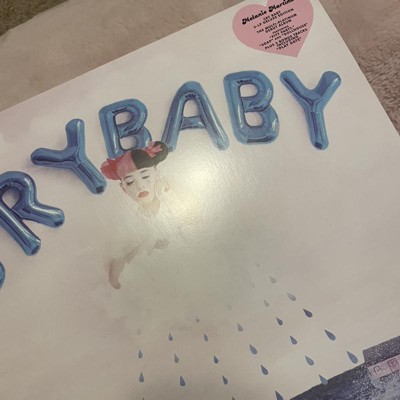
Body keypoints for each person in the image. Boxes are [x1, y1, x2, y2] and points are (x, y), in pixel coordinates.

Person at [101, 141, 171, 289]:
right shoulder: (132, 225)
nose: (140, 185)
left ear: (157, 174)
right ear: (124, 189)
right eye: (130, 182)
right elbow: (125, 257)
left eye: (145, 176)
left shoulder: (171, 199)